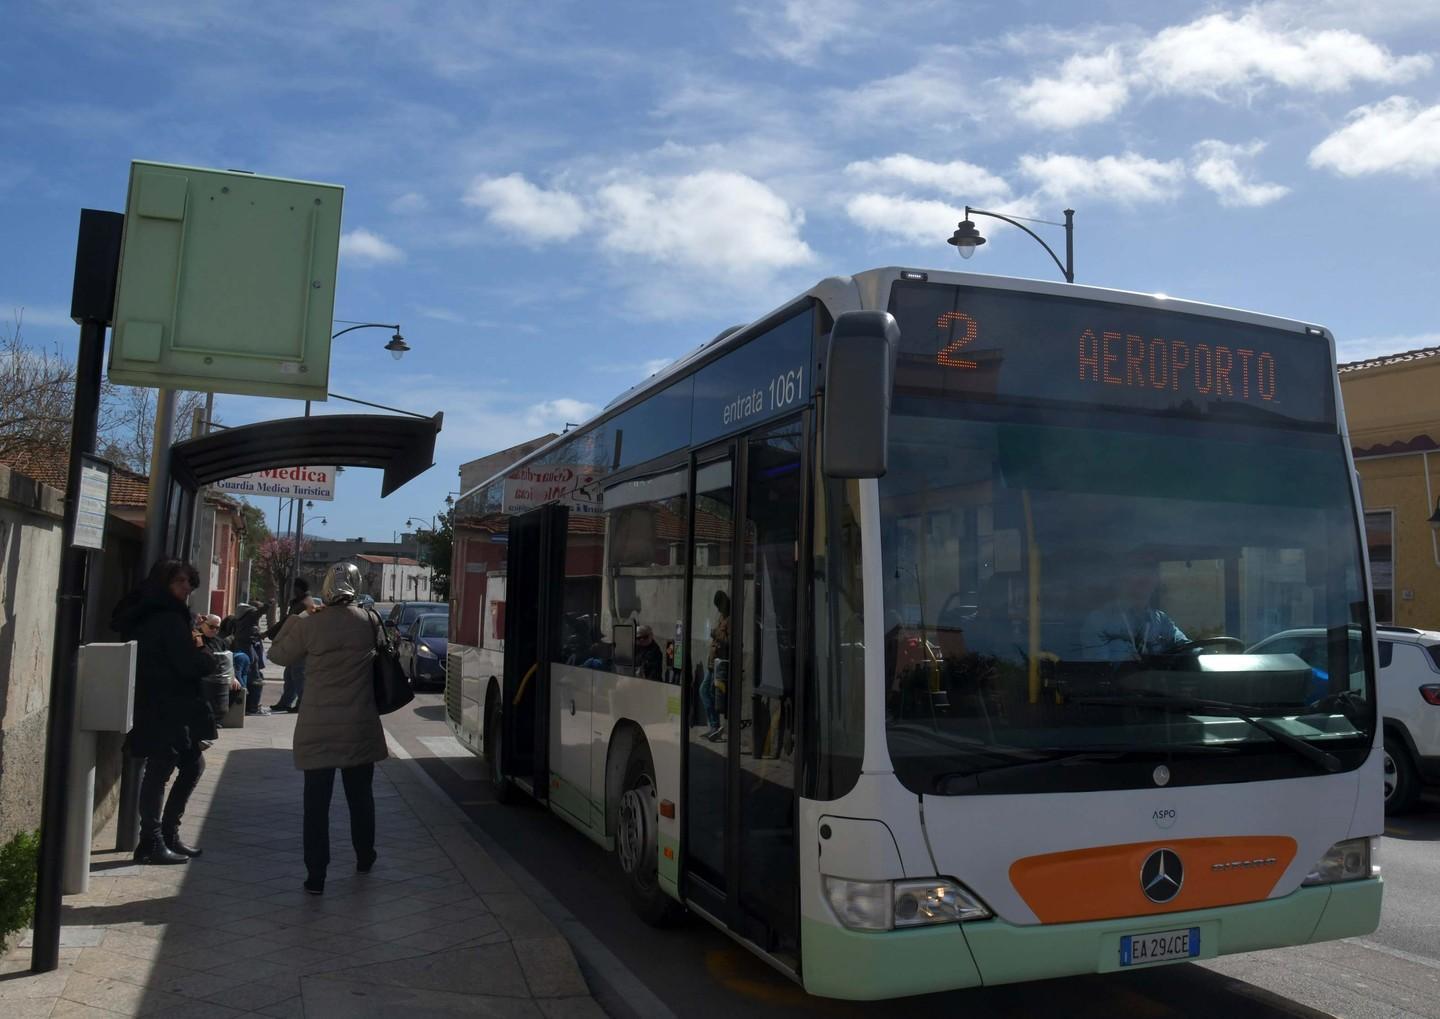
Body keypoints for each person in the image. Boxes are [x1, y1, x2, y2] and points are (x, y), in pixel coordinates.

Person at [267, 562, 388, 895]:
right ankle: (365, 857)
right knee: (361, 797)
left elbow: (277, 654)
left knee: (316, 804)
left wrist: (299, 616)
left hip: (317, 727)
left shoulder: (311, 623)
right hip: (359, 725)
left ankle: (316, 875)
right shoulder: (370, 620)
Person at [111, 560, 218, 865]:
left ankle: (165, 834)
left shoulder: (154, 613)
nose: (187, 589)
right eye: (180, 582)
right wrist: (203, 650)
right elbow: (188, 663)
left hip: (162, 702)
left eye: (189, 583)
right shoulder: (168, 618)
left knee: (189, 764)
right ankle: (152, 840)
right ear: (164, 583)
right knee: (161, 769)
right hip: (165, 704)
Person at [1078, 550, 1188, 661]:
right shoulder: (1098, 620)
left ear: (1157, 578)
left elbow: (1186, 646)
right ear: (1122, 577)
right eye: (1137, 568)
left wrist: (1202, 651)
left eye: (1150, 567)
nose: (1144, 574)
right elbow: (1098, 668)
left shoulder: (1161, 620)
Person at [268, 580, 313, 712]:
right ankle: (285, 702)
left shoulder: (305, 603)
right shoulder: (302, 602)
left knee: (298, 674)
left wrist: (269, 633)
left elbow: (287, 621)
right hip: (294, 642)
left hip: (300, 644)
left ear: (299, 589)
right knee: (289, 674)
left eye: (294, 588)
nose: (293, 591)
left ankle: (302, 703)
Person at [699, 590, 731, 742]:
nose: (718, 609)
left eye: (719, 606)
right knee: (706, 691)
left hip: (719, 662)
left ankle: (715, 726)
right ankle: (714, 726)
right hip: (712, 662)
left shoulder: (730, 619)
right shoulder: (722, 617)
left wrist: (715, 634)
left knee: (706, 691)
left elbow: (730, 641)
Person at [231, 602, 269, 714]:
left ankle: (249, 706)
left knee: (249, 675)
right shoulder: (250, 617)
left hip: (244, 646)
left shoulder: (240, 619)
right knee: (256, 678)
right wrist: (269, 603)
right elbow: (259, 612)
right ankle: (253, 707)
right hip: (247, 647)